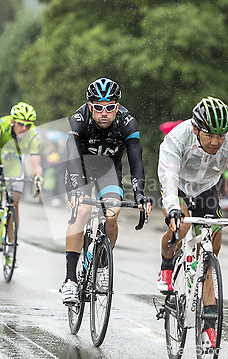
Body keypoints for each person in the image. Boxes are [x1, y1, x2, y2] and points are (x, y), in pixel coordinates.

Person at [157, 96, 228, 348]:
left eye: (221, 136)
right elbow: (168, 175)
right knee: (183, 225)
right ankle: (167, 264)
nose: (215, 142)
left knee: (213, 244)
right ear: (196, 129)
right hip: (177, 186)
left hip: (206, 189)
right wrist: (173, 209)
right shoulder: (178, 138)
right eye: (209, 135)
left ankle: (208, 323)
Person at [61, 78, 152, 304]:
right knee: (82, 211)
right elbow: (72, 156)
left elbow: (135, 162)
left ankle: (102, 266)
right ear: (90, 106)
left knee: (112, 214)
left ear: (117, 106)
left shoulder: (127, 122)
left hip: (108, 170)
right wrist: (76, 190)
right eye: (98, 108)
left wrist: (139, 194)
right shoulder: (79, 120)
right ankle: (70, 280)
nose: (104, 113)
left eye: (110, 107)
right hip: (79, 168)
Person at [0, 102, 43, 242]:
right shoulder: (1, 125)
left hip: (12, 160)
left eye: (28, 124)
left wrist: (38, 176)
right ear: (13, 121)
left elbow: (35, 162)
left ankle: (11, 245)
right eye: (21, 124)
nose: (25, 128)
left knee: (14, 203)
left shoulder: (33, 134)